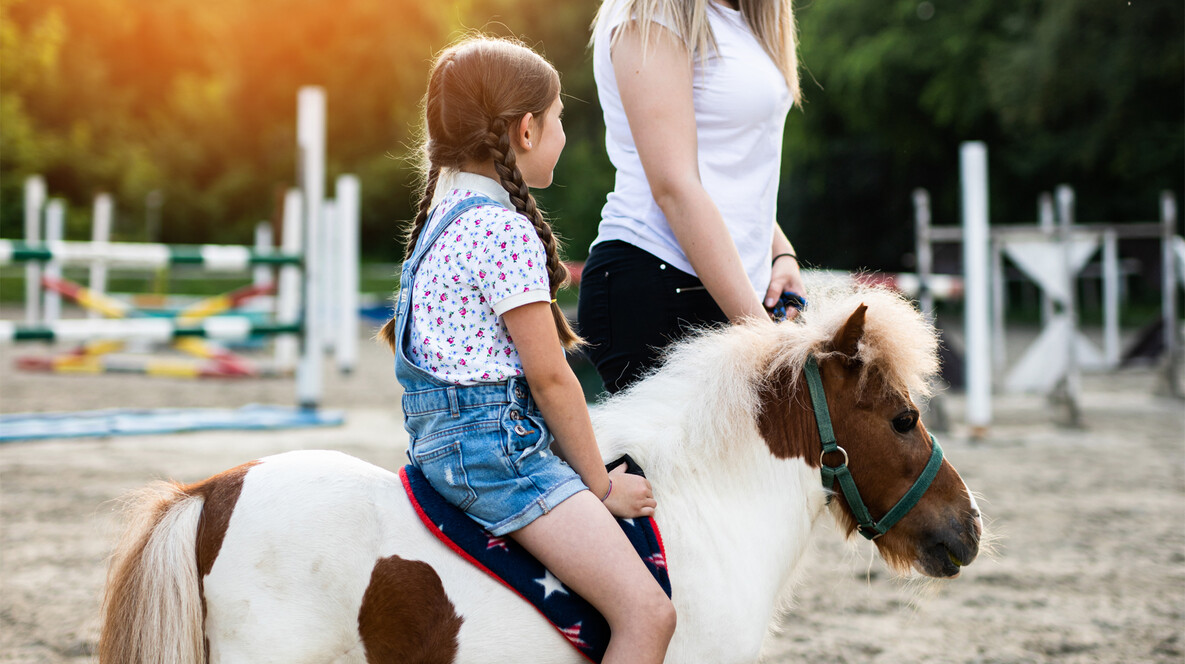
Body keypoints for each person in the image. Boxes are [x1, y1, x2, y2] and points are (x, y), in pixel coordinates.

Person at [378, 36, 676, 662]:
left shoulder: (440, 217)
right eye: (561, 118)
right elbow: (552, 380)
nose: (565, 135)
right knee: (649, 614)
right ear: (527, 130)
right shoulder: (503, 229)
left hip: (436, 442)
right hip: (498, 456)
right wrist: (599, 487)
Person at [577, 0, 807, 393]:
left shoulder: (747, 15)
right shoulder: (652, 10)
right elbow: (674, 186)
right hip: (661, 278)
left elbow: (731, 169)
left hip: (725, 287)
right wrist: (765, 341)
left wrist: (779, 253)